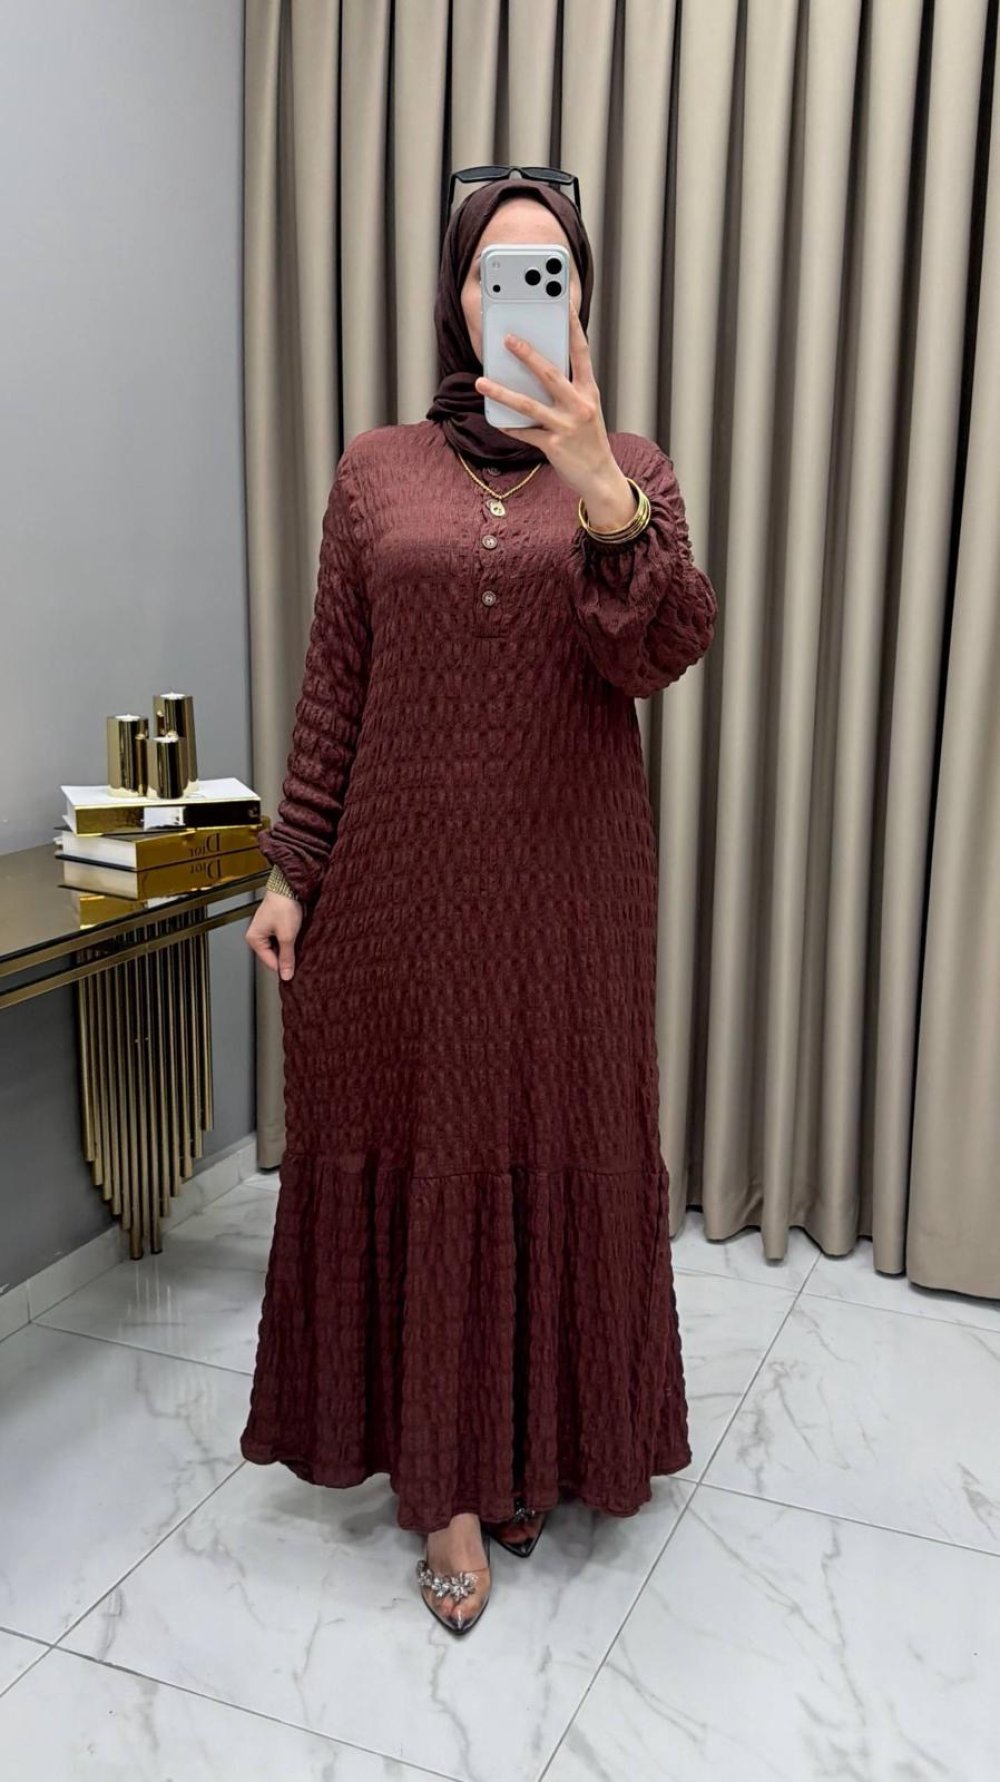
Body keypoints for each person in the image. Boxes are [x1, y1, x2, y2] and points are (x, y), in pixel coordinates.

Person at [242, 173, 718, 1636]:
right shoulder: (374, 469)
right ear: (455, 299)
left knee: (552, 1137)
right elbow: (336, 683)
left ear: (581, 297)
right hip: (398, 899)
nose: (521, 294)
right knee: (432, 1145)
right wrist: (292, 866)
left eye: (549, 270)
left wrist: (602, 489)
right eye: (495, 271)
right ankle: (449, 1485)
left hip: (570, 898)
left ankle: (531, 1447)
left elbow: (661, 650)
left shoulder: (631, 467)